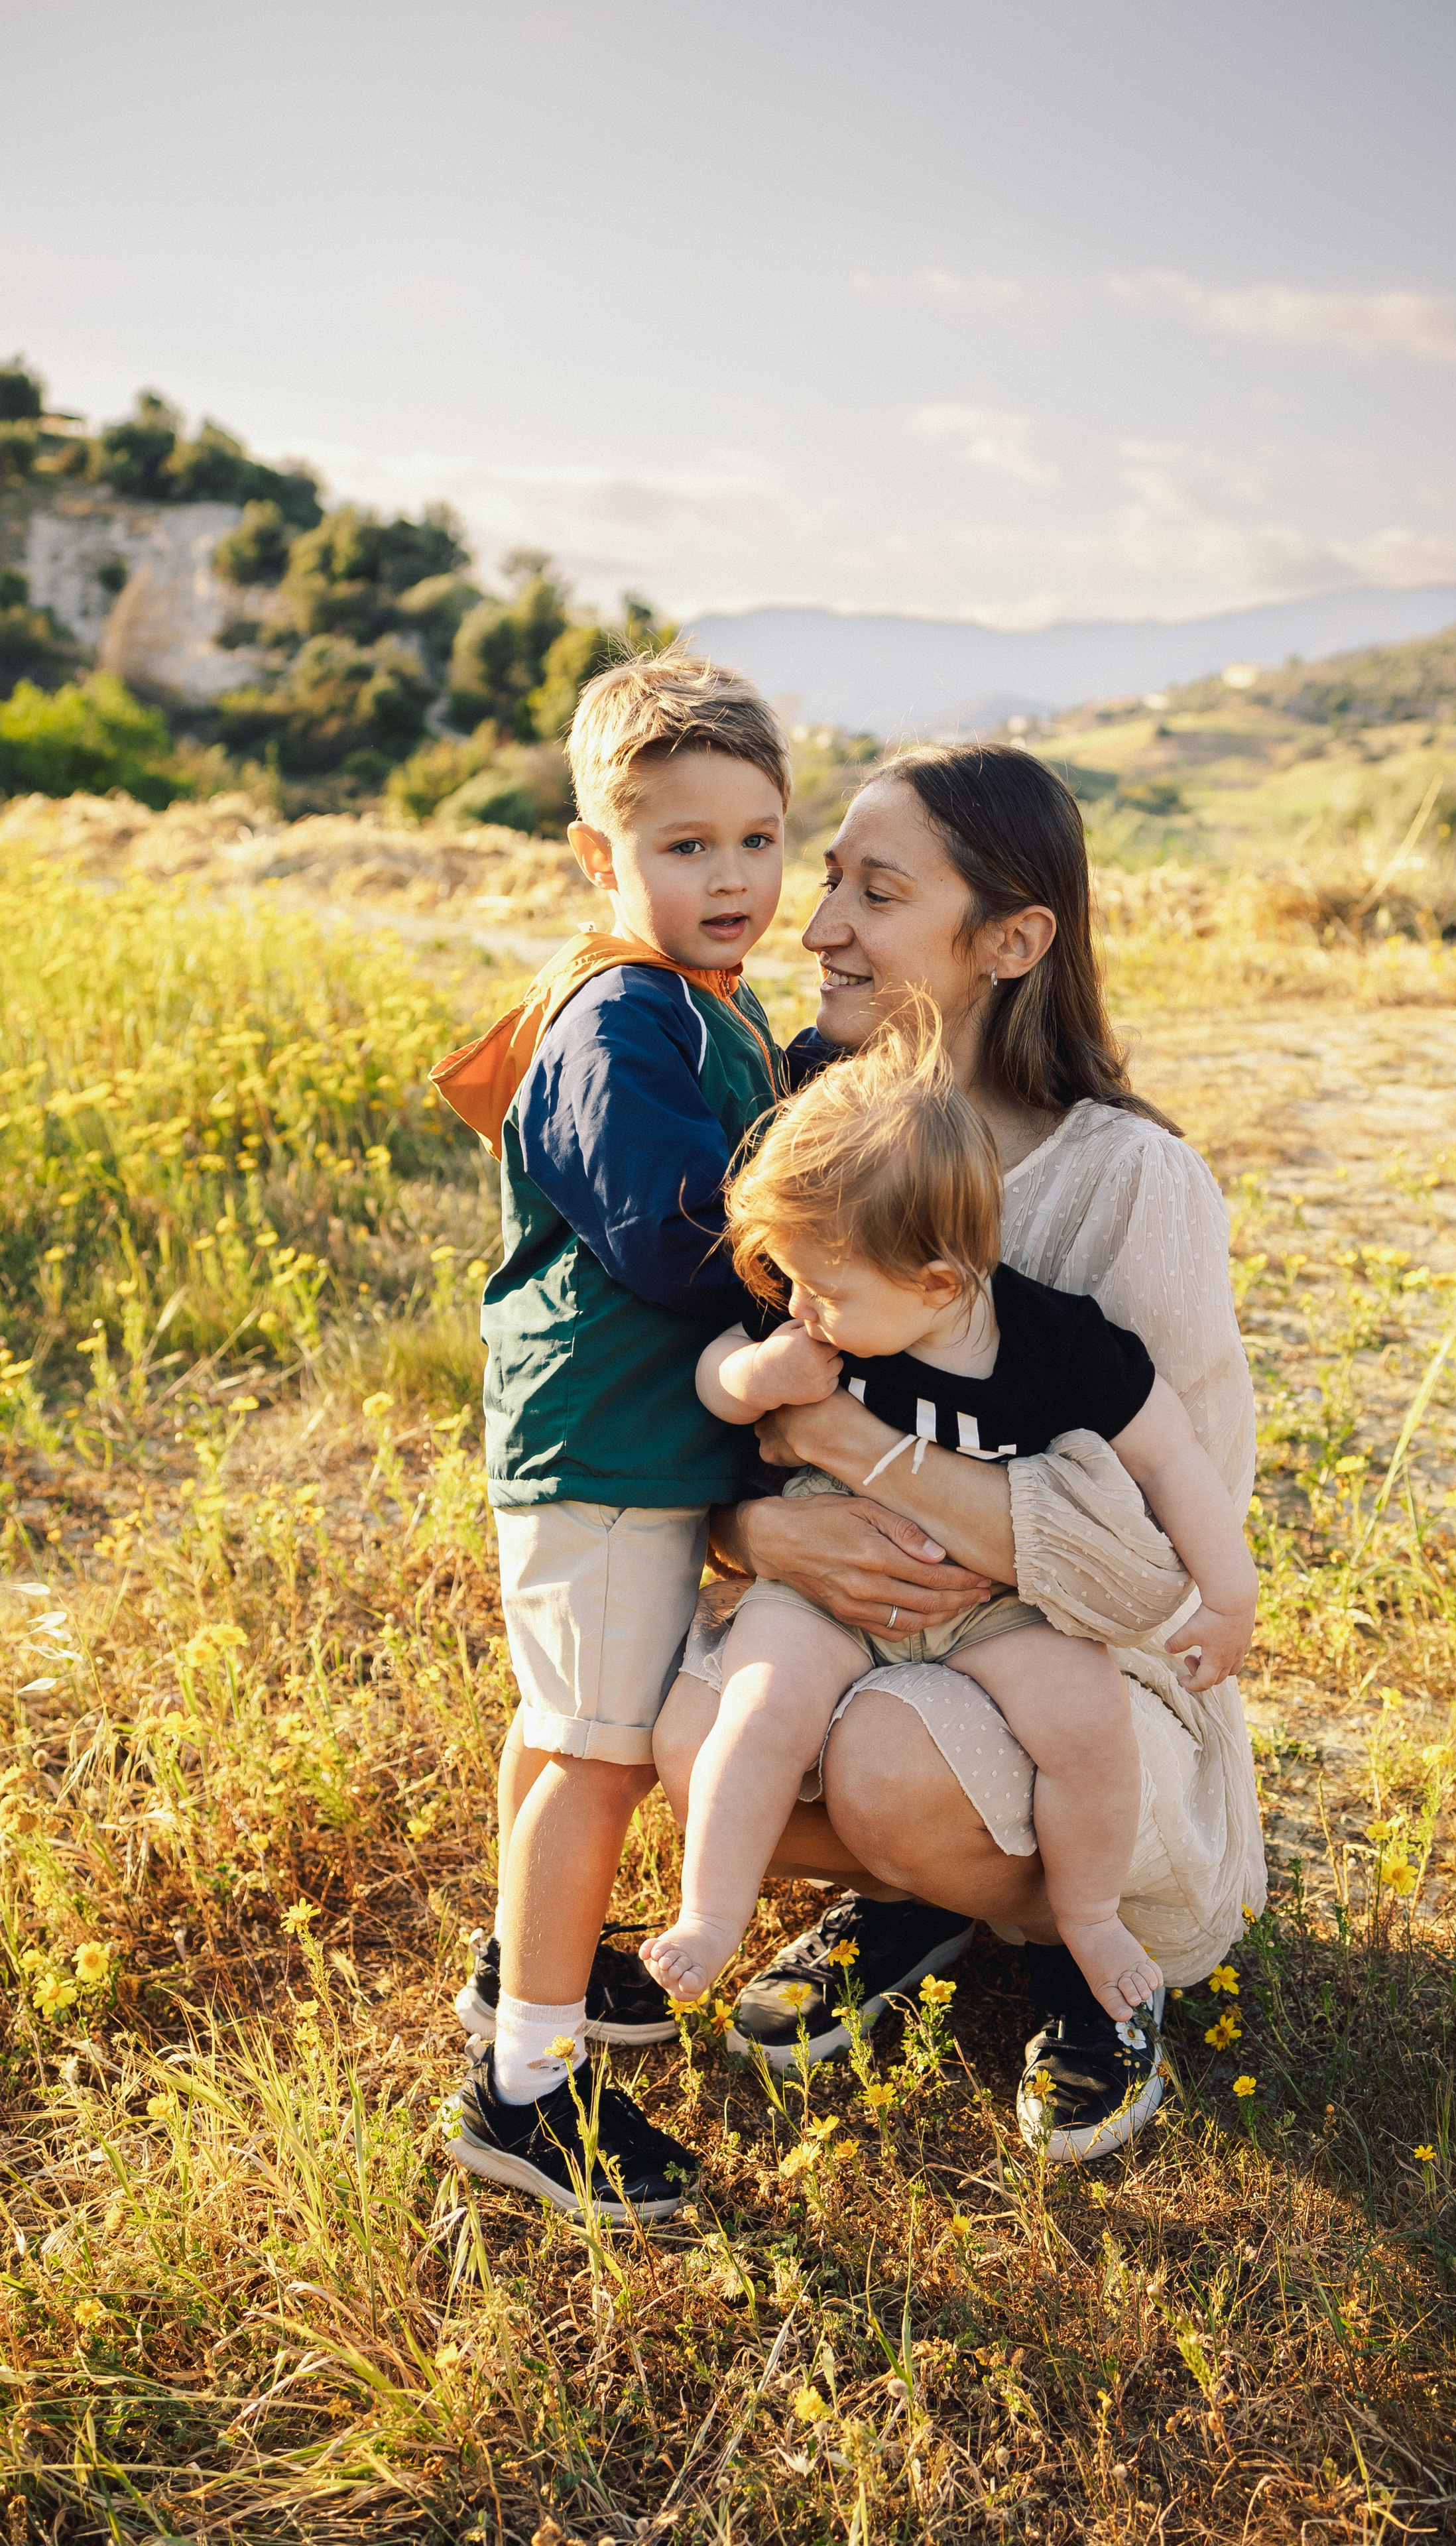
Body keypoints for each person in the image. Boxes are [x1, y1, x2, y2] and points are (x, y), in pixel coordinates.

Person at [652, 742, 1264, 2161]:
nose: (814, 932)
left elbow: (1152, 1568)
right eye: (828, 886)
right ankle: (930, 1901)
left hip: (1085, 1675)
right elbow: (718, 1398)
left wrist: (853, 1444)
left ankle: (1082, 1964)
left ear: (1010, 939)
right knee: (677, 1723)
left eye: (875, 893)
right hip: (860, 1625)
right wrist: (747, 1534)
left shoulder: (1128, 1182)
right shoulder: (811, 1123)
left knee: (880, 1762)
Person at [640, 1008, 1258, 2024]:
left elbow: (1172, 1456)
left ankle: (1090, 1921)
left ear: (939, 1281)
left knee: (1089, 1723)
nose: (798, 1306)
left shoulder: (1053, 1343)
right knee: (758, 1711)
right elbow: (717, 1378)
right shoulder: (819, 1314)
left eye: (820, 1290)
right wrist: (757, 1374)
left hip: (995, 1605)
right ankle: (710, 1911)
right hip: (830, 1589)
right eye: (787, 1283)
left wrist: (1229, 1590)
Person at [432, 646, 792, 2218]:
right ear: (602, 855)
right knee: (596, 1753)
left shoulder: (709, 999)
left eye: (759, 839)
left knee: (560, 1725)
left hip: (631, 1446)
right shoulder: (618, 1021)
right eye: (684, 845)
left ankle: (529, 1953)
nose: (731, 877)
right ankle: (522, 2091)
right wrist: (828, 1281)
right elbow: (666, 1237)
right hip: (601, 1450)